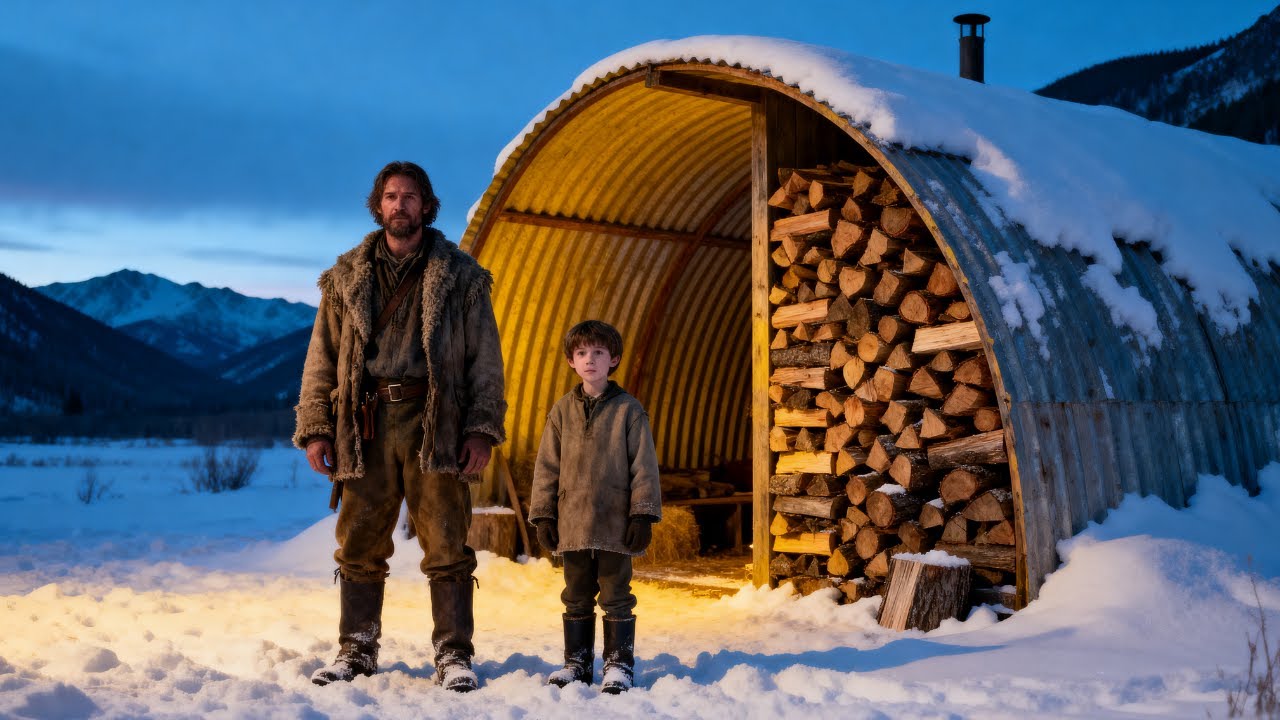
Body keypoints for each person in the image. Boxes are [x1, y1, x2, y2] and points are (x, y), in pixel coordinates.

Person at [293, 161, 506, 692]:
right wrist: (318, 427)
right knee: (360, 539)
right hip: (365, 422)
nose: (400, 205)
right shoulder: (345, 278)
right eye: (390, 196)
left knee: (446, 541)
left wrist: (479, 429)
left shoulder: (462, 278)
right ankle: (357, 648)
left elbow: (486, 362)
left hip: (436, 421)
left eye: (410, 196)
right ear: (378, 205)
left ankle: (454, 655)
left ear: (427, 206)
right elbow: (322, 357)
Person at [528, 320, 662, 694]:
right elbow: (547, 465)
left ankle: (618, 664)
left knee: (616, 593)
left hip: (613, 524)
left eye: (599, 353)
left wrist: (642, 513)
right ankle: (577, 662)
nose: (590, 360)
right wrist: (543, 513)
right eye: (582, 353)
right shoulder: (560, 411)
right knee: (575, 594)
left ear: (613, 359)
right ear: (571, 361)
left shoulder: (629, 411)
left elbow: (643, 466)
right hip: (572, 523)